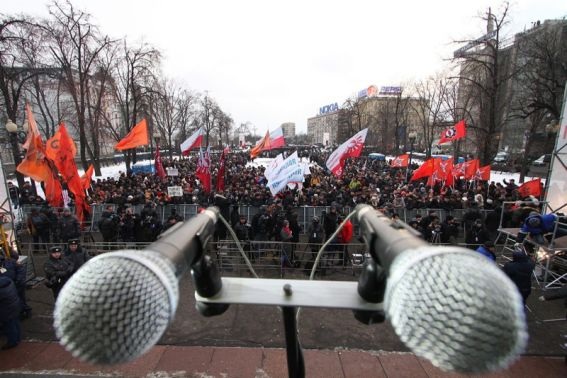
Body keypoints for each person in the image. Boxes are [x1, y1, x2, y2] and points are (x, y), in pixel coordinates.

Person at [0, 252, 31, 319]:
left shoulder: (11, 262)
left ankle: (24, 311)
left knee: (20, 299)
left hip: (17, 286)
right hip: (9, 288)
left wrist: (18, 281)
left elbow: (20, 270)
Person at [0, 276, 21, 349]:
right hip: (15, 304)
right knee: (15, 322)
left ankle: (12, 342)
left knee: (9, 325)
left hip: (6, 309)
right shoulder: (8, 280)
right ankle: (18, 338)